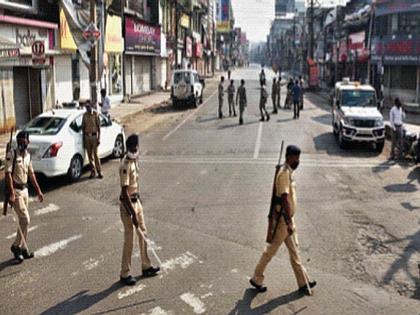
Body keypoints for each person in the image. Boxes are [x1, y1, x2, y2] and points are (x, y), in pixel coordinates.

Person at [250, 145, 316, 295]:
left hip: (287, 220)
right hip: (283, 222)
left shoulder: (287, 171)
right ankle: (256, 277)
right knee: (271, 251)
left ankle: (303, 282)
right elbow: (284, 199)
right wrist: (289, 222)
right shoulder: (284, 174)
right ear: (290, 157)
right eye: (297, 158)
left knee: (294, 252)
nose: (298, 161)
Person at [119, 134, 160, 286]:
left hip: (136, 202)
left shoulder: (135, 160)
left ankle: (146, 266)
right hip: (127, 206)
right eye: (132, 148)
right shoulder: (125, 165)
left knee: (144, 233)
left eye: (136, 147)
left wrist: (138, 205)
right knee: (129, 241)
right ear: (128, 148)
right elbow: (124, 193)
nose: (135, 150)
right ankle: (125, 273)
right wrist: (132, 214)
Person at [5, 131, 44, 263]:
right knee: (25, 219)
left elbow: (31, 175)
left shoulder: (28, 156)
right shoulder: (12, 154)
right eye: (20, 142)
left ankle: (23, 247)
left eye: (24, 142)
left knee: (24, 221)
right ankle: (16, 246)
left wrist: (38, 191)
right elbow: (8, 174)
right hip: (16, 191)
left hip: (25, 190)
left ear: (28, 142)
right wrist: (11, 193)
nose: (22, 144)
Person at [82, 101, 103, 179]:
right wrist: (83, 139)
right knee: (90, 156)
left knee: (96, 155)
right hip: (87, 137)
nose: (87, 108)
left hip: (94, 137)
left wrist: (99, 138)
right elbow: (83, 128)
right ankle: (92, 172)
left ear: (91, 106)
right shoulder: (84, 115)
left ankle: (99, 171)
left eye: (88, 107)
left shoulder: (95, 114)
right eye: (86, 107)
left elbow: (99, 127)